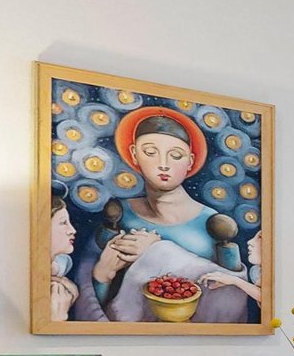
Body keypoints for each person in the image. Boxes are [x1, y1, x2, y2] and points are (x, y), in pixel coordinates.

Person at [67, 105, 260, 323]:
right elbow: (93, 307)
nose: (163, 164)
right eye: (150, 152)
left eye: (176, 155)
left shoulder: (214, 224)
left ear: (190, 160)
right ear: (134, 154)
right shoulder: (120, 215)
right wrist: (102, 275)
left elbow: (230, 306)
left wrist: (156, 252)